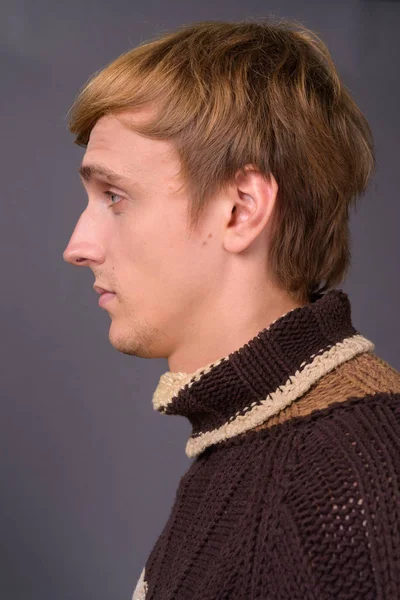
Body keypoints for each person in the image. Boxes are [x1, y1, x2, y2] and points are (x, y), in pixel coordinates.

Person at [63, 18, 400, 600]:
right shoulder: (250, 442)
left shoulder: (350, 486)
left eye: (114, 197)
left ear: (241, 210)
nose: (77, 246)